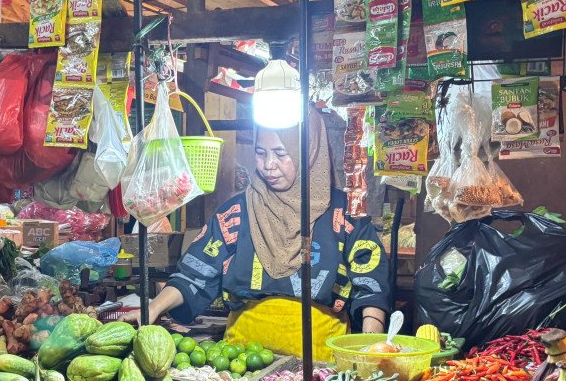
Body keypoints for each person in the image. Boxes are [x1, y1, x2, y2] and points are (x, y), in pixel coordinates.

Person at [131, 107, 390, 359]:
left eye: (281, 153)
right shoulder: (236, 213)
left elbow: (371, 283)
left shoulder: (345, 215)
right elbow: (194, 272)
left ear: (309, 152)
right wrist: (151, 309)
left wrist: (372, 346)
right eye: (260, 153)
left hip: (321, 361)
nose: (268, 165)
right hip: (242, 360)